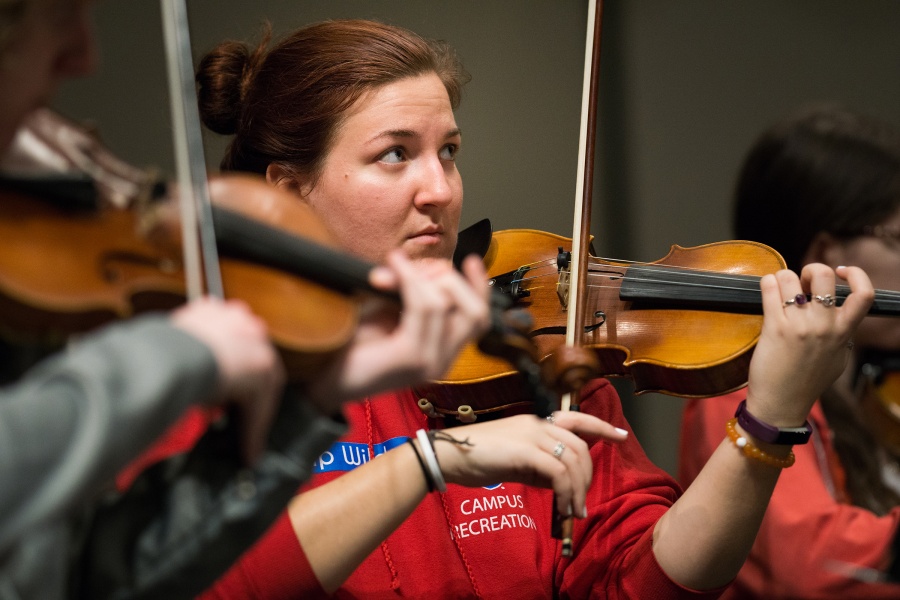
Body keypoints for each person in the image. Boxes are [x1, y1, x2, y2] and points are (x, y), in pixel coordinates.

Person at [185, 19, 873, 599]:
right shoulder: (224, 368)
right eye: (395, 155)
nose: (440, 189)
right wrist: (432, 458)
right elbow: (214, 575)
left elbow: (646, 579)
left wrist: (770, 416)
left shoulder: (530, 351)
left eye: (448, 152)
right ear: (290, 187)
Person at [0, 2, 492, 598]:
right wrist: (176, 356)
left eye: (449, 152)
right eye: (51, 13)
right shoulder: (184, 351)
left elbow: (101, 577)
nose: (85, 55)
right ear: (288, 189)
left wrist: (307, 408)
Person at [680, 105, 900, 598]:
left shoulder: (872, 384)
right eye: (899, 239)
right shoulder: (741, 390)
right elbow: (816, 563)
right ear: (826, 258)